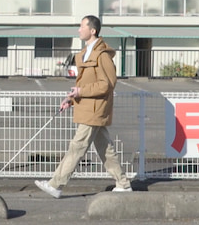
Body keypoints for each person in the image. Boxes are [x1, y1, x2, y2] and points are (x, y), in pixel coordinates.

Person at [35, 15, 133, 198]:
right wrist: (71, 99)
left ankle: (55, 184)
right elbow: (85, 84)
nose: (79, 30)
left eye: (82, 26)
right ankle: (123, 184)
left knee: (77, 146)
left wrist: (80, 92)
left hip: (95, 109)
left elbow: (107, 84)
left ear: (92, 30)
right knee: (105, 148)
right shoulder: (85, 53)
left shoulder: (102, 55)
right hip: (89, 107)